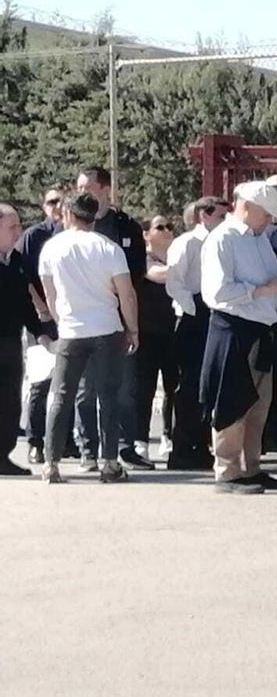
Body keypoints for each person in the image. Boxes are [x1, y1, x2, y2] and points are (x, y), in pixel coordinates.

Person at [199, 182, 277, 494]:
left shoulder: (259, 239)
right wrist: (265, 289)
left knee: (258, 404)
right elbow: (217, 292)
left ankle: (251, 467)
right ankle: (227, 471)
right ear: (247, 207)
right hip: (233, 329)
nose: (270, 221)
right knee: (232, 402)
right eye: (266, 213)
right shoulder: (223, 240)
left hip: (262, 330)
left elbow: (266, 282)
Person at [37, 192, 140, 484]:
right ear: (94, 216)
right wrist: (132, 328)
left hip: (71, 329)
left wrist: (61, 321)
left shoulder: (52, 248)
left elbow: (50, 294)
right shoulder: (109, 248)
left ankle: (51, 463)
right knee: (108, 395)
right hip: (106, 328)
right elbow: (126, 294)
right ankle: (109, 462)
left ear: (69, 214)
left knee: (61, 396)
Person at [75, 166, 151, 470]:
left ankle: (122, 446)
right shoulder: (73, 225)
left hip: (117, 317)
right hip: (82, 319)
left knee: (122, 387)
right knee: (85, 388)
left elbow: (137, 274)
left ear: (106, 189)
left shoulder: (125, 226)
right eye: (79, 186)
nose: (82, 192)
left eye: (89, 187)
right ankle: (87, 449)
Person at [164, 196, 227, 470]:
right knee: (188, 387)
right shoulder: (187, 243)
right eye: (220, 216)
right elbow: (174, 282)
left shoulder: (223, 241)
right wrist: (194, 309)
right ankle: (181, 449)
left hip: (214, 312)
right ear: (204, 215)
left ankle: (201, 445)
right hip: (192, 316)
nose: (225, 221)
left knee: (206, 385)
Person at [0, 204, 50, 476]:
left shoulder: (15, 261)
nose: (18, 232)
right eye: (12, 227)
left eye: (19, 226)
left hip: (10, 341)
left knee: (9, 402)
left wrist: (39, 330)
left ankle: (2, 456)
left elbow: (24, 303)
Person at [19, 185, 65, 463]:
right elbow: (25, 277)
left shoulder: (76, 235)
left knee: (69, 381)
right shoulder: (34, 236)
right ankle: (35, 441)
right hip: (43, 320)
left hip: (71, 317)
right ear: (43, 205)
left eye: (62, 200)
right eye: (51, 201)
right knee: (41, 382)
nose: (57, 205)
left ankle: (67, 440)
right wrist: (41, 308)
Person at [136, 214, 179, 459]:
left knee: (175, 387)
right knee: (145, 388)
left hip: (174, 331)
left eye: (169, 227)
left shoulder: (176, 257)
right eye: (159, 227)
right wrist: (185, 269)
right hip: (148, 331)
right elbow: (158, 275)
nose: (166, 231)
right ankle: (140, 439)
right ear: (146, 234)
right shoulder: (144, 259)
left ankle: (168, 435)